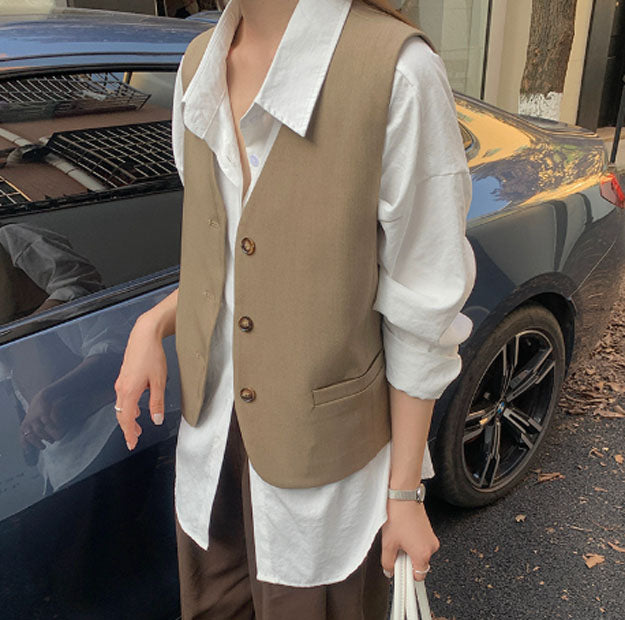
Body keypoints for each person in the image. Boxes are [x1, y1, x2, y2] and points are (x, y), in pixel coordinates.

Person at [113, 0, 476, 618]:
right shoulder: (199, 64)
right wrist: (154, 322)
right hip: (211, 449)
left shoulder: (397, 72)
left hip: (324, 483)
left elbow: (423, 311)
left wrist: (405, 495)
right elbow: (236, 259)